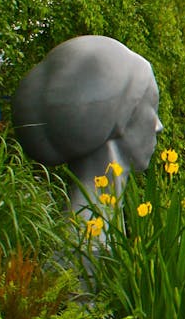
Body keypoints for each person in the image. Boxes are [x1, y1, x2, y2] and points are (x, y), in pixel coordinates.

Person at [12, 35, 162, 212]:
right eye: (151, 107)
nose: (158, 126)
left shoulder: (96, 224)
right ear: (118, 120)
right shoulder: (89, 233)